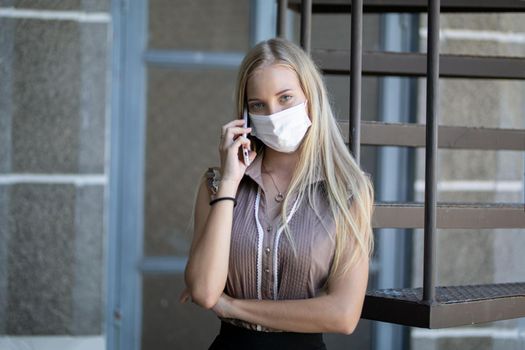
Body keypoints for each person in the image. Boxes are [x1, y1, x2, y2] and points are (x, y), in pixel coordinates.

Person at [179, 37, 374, 349]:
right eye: (258, 105)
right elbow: (204, 290)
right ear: (245, 116)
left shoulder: (348, 190)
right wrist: (230, 181)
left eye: (285, 98)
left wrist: (232, 307)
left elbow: (343, 315)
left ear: (311, 97)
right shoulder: (215, 185)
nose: (273, 114)